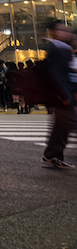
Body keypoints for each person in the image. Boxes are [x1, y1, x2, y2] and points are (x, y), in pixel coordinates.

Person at [41, 20, 77, 169]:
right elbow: (58, 76)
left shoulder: (64, 49)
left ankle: (52, 155)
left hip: (65, 95)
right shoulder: (56, 50)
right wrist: (65, 96)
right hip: (64, 96)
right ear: (53, 32)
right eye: (62, 30)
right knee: (70, 122)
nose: (66, 33)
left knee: (61, 127)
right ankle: (52, 155)